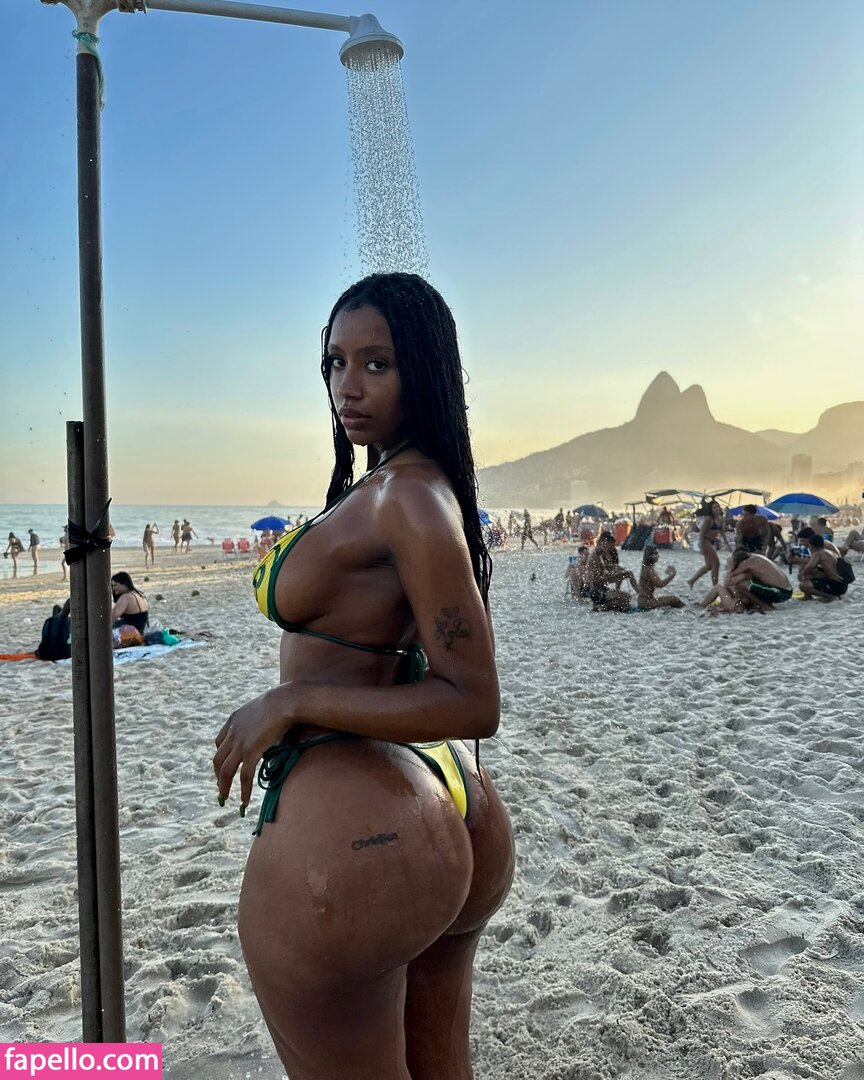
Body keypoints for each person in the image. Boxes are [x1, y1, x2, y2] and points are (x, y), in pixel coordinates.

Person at [213, 272, 515, 1080]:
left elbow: (474, 698)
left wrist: (292, 700)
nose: (348, 386)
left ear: (425, 369)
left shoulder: (405, 497)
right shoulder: (404, 485)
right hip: (443, 798)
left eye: (377, 363)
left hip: (363, 828)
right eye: (336, 363)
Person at [700, 550, 793, 613]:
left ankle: (765, 606)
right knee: (742, 585)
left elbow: (727, 583)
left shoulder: (747, 564)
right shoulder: (755, 560)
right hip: (786, 590)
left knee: (736, 586)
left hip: (780, 592)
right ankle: (765, 605)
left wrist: (729, 568)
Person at [585, 531, 636, 611]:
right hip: (596, 592)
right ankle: (601, 607)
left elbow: (605, 570)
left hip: (600, 589)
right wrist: (615, 576)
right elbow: (596, 579)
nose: (611, 548)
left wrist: (615, 573)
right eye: (611, 545)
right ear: (604, 542)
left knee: (624, 603)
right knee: (627, 597)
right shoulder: (596, 556)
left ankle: (602, 606)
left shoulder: (600, 554)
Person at [687, 501, 728, 589]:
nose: (717, 509)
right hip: (705, 541)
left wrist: (727, 544)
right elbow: (702, 533)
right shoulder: (709, 519)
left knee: (709, 566)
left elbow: (722, 533)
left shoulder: (720, 519)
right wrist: (701, 547)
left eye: (718, 507)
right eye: (714, 507)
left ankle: (692, 580)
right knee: (716, 564)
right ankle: (715, 587)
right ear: (711, 510)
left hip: (710, 542)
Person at [798, 535, 848, 602]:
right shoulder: (830, 552)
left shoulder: (818, 554)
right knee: (813, 573)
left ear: (811, 546)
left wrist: (802, 575)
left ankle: (831, 597)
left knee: (803, 585)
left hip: (835, 586)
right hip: (843, 585)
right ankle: (807, 596)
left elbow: (809, 568)